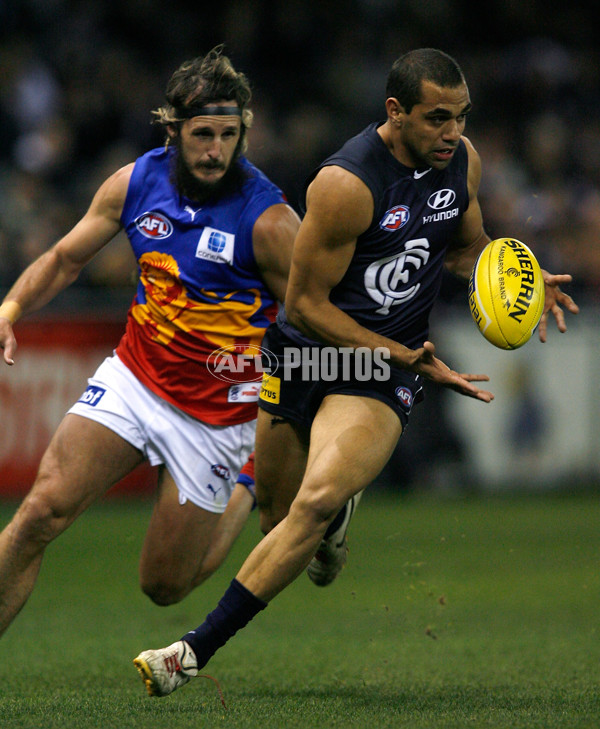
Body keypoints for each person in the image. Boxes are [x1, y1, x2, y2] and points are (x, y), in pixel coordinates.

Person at [132, 47, 580, 696]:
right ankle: (331, 519)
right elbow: (304, 304)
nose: (452, 133)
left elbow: (466, 249)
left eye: (461, 117)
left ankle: (190, 652)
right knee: (277, 517)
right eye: (436, 119)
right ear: (395, 113)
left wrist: (520, 279)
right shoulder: (345, 184)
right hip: (304, 351)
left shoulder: (463, 163)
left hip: (379, 369)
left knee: (310, 503)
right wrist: (394, 348)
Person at [0, 47, 300, 637]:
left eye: (229, 134)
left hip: (217, 418)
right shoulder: (137, 181)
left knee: (163, 587)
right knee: (40, 512)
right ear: (173, 130)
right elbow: (65, 258)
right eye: (203, 134)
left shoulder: (268, 221)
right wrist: (10, 306)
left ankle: (248, 480)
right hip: (135, 380)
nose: (216, 150)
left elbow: (313, 319)